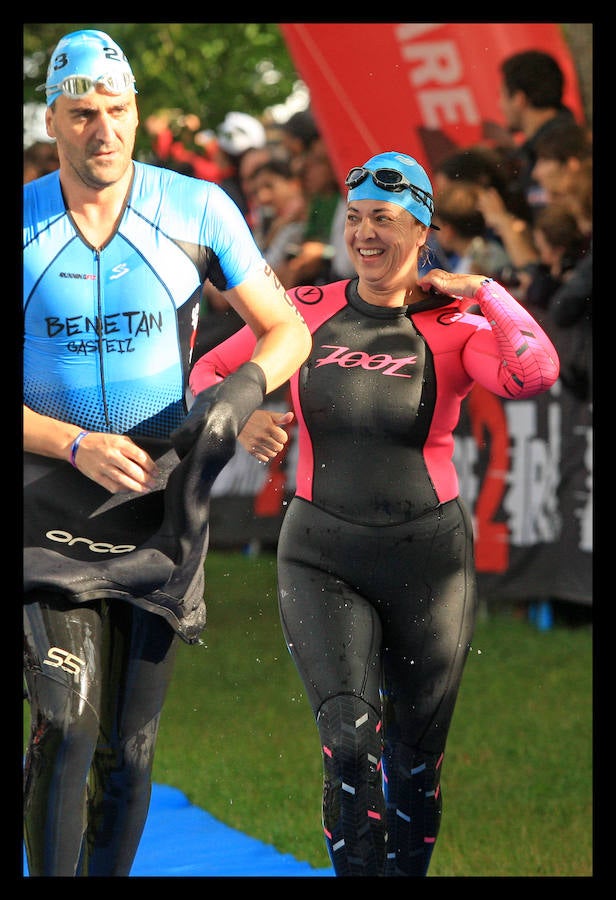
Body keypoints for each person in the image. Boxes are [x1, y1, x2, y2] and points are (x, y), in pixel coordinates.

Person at [189, 150, 560, 876]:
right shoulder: (302, 311)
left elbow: (535, 371)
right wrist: (240, 416)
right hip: (322, 555)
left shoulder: (454, 323)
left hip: (431, 563)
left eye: (384, 220)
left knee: (415, 763)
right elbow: (205, 370)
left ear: (421, 232)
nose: (364, 234)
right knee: (350, 744)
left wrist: (482, 288)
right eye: (355, 218)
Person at [22, 29, 311, 878]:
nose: (102, 131)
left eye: (116, 111)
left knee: (129, 751)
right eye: (82, 115)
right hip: (45, 491)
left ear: (136, 111)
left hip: (159, 499)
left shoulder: (197, 208)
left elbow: (287, 327)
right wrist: (72, 443)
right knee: (65, 722)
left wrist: (239, 391)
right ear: (53, 120)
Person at [498, 49, 577, 214]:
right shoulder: (529, 152)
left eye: (503, 96)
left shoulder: (566, 149)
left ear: (519, 99)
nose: (500, 106)